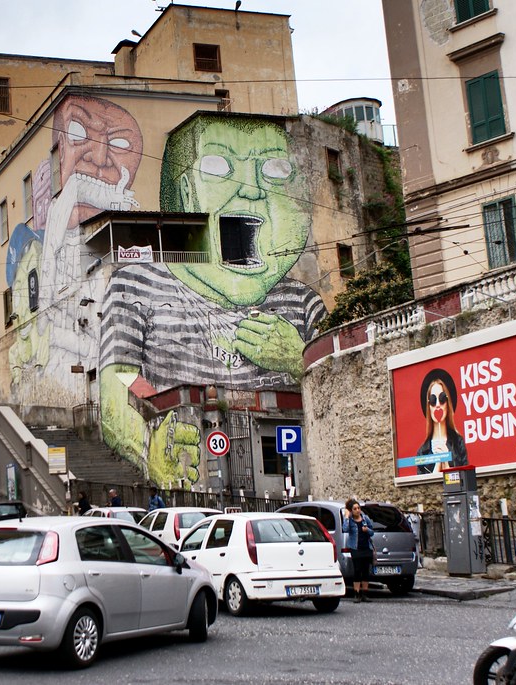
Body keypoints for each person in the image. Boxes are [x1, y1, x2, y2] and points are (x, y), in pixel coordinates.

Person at [100, 114, 326, 487]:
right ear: (187, 193)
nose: (251, 188)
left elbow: (337, 380)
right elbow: (119, 376)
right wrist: (149, 444)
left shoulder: (302, 302)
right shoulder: (137, 282)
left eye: (273, 169)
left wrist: (296, 358)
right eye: (220, 167)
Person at [415, 368, 468, 474]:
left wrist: (446, 464)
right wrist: (438, 464)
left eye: (442, 398)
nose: (438, 405)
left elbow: (464, 481)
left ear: (447, 404)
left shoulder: (458, 443)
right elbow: (424, 488)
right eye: (433, 400)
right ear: (428, 406)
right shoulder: (422, 452)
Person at [343, 499, 375, 603]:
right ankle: (356, 594)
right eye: (355, 509)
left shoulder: (365, 518)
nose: (357, 510)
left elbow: (372, 532)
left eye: (358, 508)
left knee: (366, 571)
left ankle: (365, 593)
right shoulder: (350, 520)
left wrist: (367, 530)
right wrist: (346, 517)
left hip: (366, 548)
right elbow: (345, 529)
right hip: (356, 549)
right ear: (351, 510)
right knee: (357, 571)